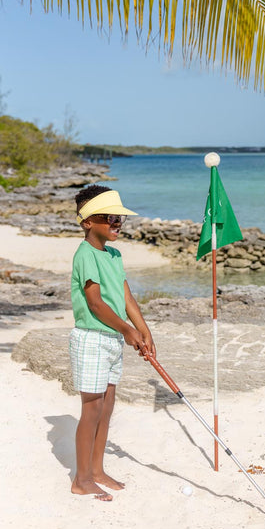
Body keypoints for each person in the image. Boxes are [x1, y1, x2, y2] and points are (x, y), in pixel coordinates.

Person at [69, 184, 156, 501]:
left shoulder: (114, 255)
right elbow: (95, 304)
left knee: (106, 409)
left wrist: (143, 330)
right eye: (109, 217)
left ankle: (96, 470)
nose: (117, 222)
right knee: (91, 409)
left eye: (120, 217)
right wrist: (126, 330)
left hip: (110, 339)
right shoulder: (85, 255)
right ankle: (81, 479)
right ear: (88, 222)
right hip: (92, 338)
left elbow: (126, 298)